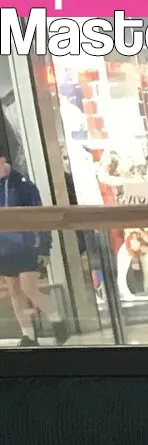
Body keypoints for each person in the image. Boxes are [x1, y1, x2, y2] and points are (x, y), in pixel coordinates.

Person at [0, 148, 64, 346]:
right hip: (4, 246)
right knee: (14, 290)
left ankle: (57, 321)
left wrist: (44, 247)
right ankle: (28, 335)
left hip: (26, 245)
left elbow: (40, 217)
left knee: (28, 287)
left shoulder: (22, 185)